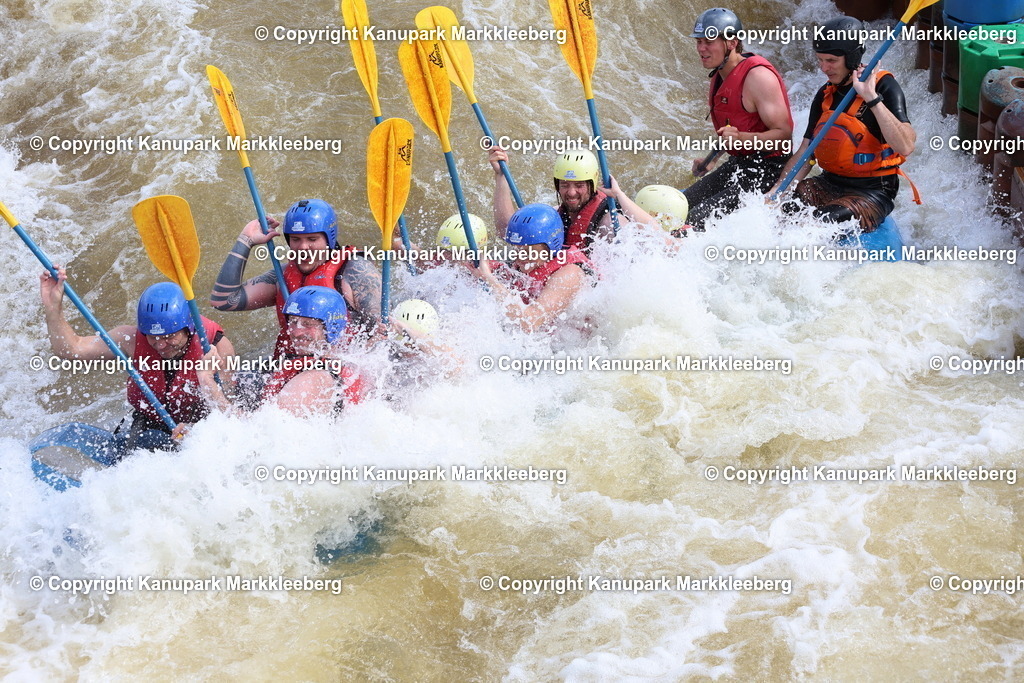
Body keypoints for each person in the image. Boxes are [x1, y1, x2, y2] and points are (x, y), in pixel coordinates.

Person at [40, 271, 234, 458]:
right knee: (150, 441)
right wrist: (52, 308)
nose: (160, 345)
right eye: (153, 337)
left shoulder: (216, 347)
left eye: (169, 337)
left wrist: (205, 385)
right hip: (151, 426)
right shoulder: (130, 338)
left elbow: (232, 417)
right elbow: (71, 350)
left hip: (202, 425)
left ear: (188, 327)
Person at [769, 16, 920, 231]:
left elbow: (906, 146)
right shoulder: (825, 94)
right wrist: (776, 193)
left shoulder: (884, 86)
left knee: (814, 224)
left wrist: (871, 97)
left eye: (831, 61)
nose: (823, 67)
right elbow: (805, 153)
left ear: (850, 58)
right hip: (828, 184)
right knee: (783, 211)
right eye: (820, 60)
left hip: (872, 192)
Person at [210, 199, 383, 354]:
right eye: (296, 239)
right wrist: (245, 240)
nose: (303, 247)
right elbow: (223, 300)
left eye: (312, 239)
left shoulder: (354, 271)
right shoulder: (282, 276)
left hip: (342, 368)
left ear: (329, 239)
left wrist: (337, 362)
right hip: (291, 363)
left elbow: (382, 333)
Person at [683, 7, 794, 230]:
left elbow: (784, 135)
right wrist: (712, 159)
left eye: (709, 42)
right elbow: (734, 130)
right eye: (699, 41)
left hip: (769, 171)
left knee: (694, 221)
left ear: (732, 43)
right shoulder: (721, 75)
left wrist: (741, 138)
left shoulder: (758, 77)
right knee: (682, 206)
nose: (701, 48)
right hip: (740, 165)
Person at [198, 286, 365, 416]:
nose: (296, 331)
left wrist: (207, 382)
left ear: (331, 328)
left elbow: (256, 436)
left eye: (308, 324)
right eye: (293, 321)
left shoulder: (311, 381)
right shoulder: (340, 364)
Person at [488, 147, 655, 256]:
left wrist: (618, 195)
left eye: (579, 185)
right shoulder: (556, 215)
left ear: (592, 184)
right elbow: (508, 232)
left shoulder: (611, 225)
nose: (571, 192)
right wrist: (501, 177)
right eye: (565, 185)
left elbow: (661, 242)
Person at [470, 204, 595, 333]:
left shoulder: (570, 274)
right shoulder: (533, 262)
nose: (519, 257)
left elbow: (530, 323)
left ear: (550, 246)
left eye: (528, 251)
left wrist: (490, 279)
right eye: (516, 249)